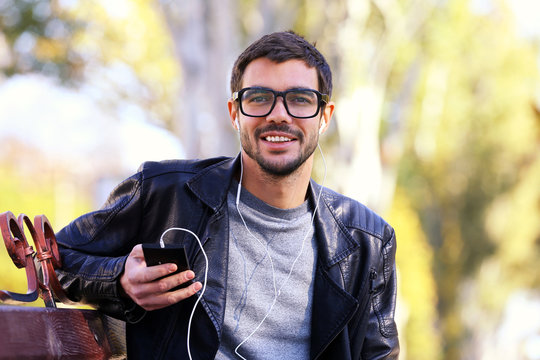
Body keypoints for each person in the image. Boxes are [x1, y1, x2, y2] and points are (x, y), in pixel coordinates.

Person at [56, 31, 399, 359]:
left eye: (300, 99)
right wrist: (120, 280)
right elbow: (58, 259)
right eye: (260, 98)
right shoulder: (164, 192)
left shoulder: (367, 239)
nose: (279, 115)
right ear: (235, 113)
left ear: (324, 117)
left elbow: (378, 354)